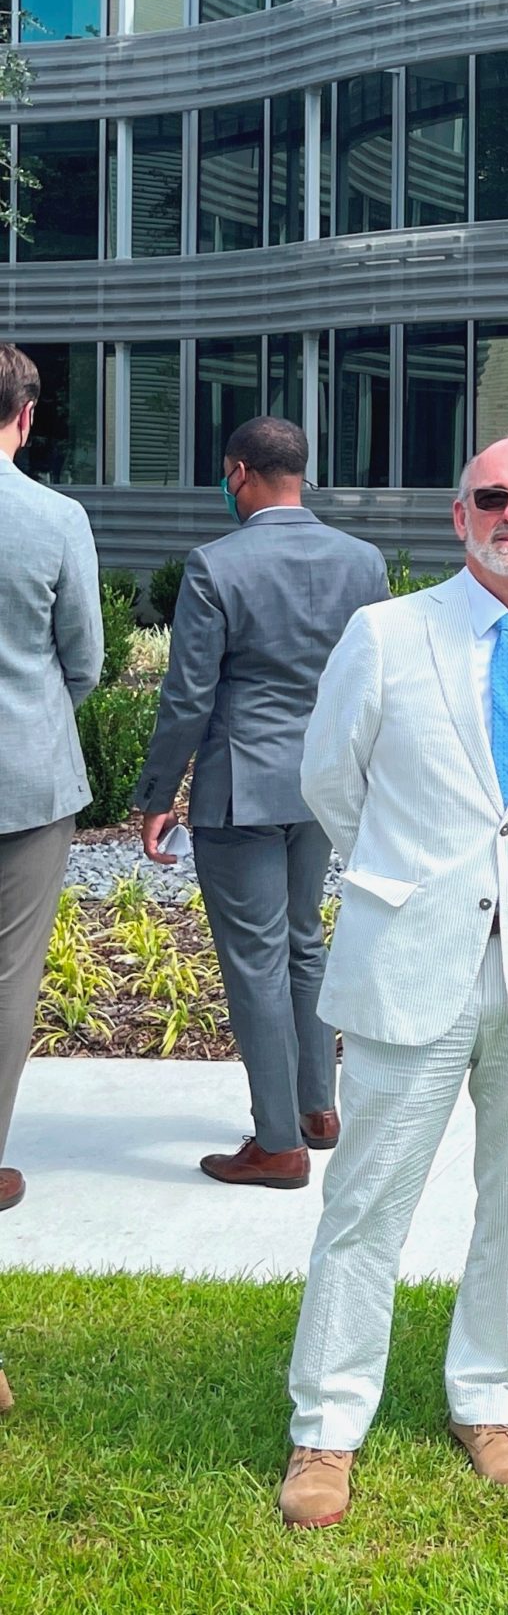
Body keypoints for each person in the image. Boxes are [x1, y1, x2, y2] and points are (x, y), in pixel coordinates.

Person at [278, 437, 508, 1529]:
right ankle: (326, 1428)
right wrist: (414, 880)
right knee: (363, 1208)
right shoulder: (385, 634)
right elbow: (329, 779)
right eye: (493, 496)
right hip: (410, 962)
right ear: (460, 516)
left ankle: (490, 1402)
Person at [131, 415, 389, 1189]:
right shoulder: (363, 561)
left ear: (239, 472)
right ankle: (318, 1108)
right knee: (304, 940)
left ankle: (277, 1144)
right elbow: (380, 680)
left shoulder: (215, 565)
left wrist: (157, 793)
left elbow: (189, 697)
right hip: (324, 784)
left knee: (256, 963)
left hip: (241, 786)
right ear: (300, 473)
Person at [0, 343, 104, 1234]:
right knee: (8, 977)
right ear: (27, 418)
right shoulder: (56, 517)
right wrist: (34, 714)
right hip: (24, 779)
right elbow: (86, 659)